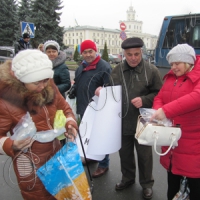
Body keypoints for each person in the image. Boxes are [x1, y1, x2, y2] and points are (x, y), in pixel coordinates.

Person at [0, 49, 78, 200]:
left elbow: (64, 106)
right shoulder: (5, 100)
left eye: (45, 80)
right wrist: (12, 144)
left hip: (54, 152)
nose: (42, 86)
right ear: (19, 78)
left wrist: (70, 122)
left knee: (59, 192)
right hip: (28, 160)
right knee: (37, 195)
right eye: (36, 83)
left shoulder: (47, 83)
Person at [96, 37, 163, 199]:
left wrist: (145, 100)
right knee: (125, 154)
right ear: (124, 54)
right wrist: (101, 91)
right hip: (122, 121)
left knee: (144, 156)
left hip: (143, 123)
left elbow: (160, 94)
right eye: (129, 54)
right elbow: (110, 91)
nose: (133, 58)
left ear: (142, 52)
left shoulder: (151, 70)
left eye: (137, 54)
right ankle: (127, 178)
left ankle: (147, 184)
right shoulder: (117, 70)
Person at [151, 44, 200, 200]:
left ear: (188, 62)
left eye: (177, 63)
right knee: (172, 185)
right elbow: (159, 97)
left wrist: (166, 111)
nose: (173, 67)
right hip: (171, 139)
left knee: (195, 186)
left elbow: (196, 97)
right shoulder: (171, 77)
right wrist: (158, 110)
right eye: (171, 64)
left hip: (192, 142)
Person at [68, 39, 112, 178]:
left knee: (100, 137)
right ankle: (92, 156)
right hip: (83, 107)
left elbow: (110, 87)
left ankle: (104, 164)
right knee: (87, 135)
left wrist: (103, 90)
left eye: (90, 51)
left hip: (98, 109)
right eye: (85, 52)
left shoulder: (104, 66)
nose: (88, 55)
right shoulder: (81, 67)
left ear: (95, 50)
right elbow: (79, 82)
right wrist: (74, 88)